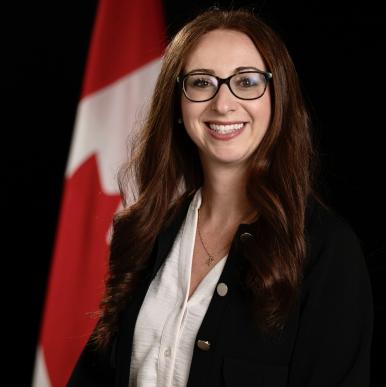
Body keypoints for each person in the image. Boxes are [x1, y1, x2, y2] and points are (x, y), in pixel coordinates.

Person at [67, 7, 373, 387]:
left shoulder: (327, 251)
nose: (223, 103)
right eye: (201, 82)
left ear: (277, 97)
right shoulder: (145, 232)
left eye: (246, 82)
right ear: (177, 102)